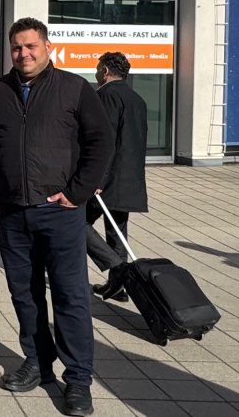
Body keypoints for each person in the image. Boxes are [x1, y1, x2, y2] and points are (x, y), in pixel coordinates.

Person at [0, 18, 113, 417]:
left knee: (71, 296)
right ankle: (38, 363)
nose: (24, 54)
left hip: (61, 214)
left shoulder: (74, 88)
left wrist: (78, 191)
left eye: (31, 46)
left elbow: (102, 141)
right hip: (13, 213)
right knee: (24, 294)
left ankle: (78, 380)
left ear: (48, 47)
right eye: (17, 47)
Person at [88, 51, 149, 302]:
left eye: (97, 68)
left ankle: (117, 268)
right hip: (129, 179)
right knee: (117, 232)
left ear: (104, 71)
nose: (95, 73)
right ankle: (118, 286)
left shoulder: (106, 96)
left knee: (75, 223)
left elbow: (105, 140)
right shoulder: (137, 99)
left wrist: (97, 179)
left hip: (107, 180)